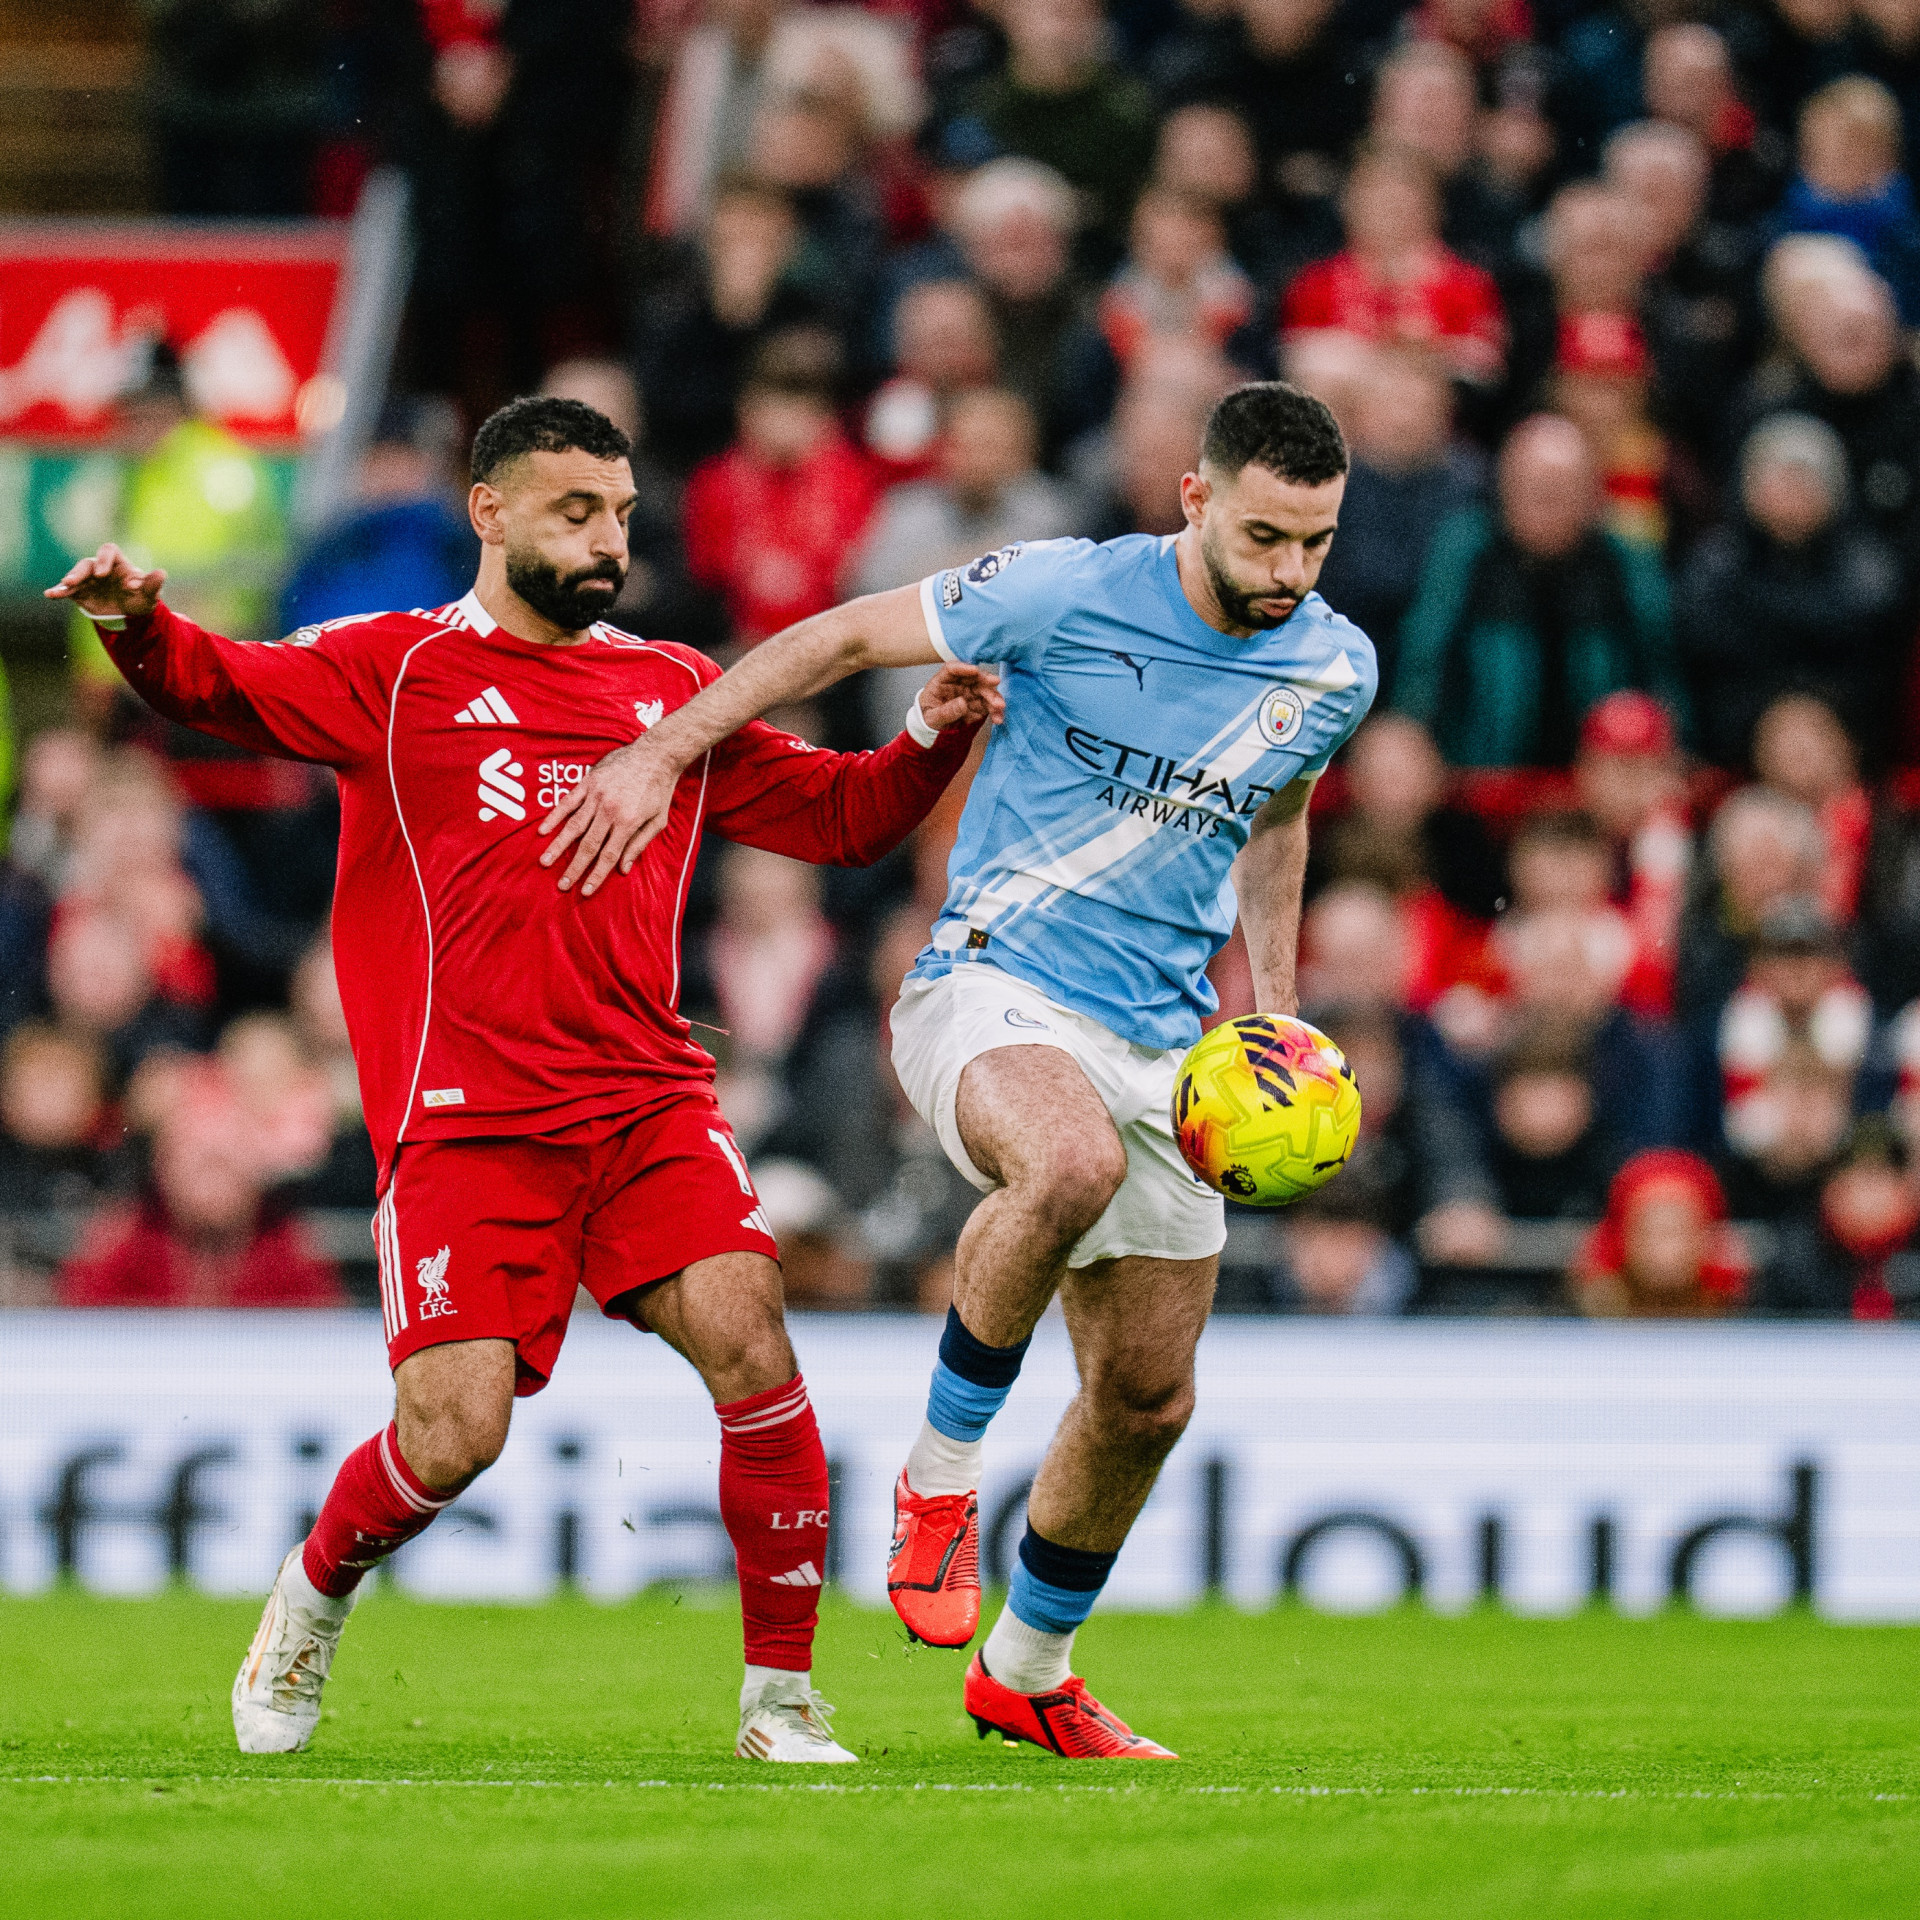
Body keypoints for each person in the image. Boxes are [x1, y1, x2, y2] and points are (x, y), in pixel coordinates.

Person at [46, 394, 993, 1766]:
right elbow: (218, 687)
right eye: (574, 511)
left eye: (617, 513)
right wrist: (137, 622)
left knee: (754, 1340)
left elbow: (845, 820)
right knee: (455, 1434)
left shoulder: (669, 688)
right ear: (488, 512)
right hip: (469, 1124)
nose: (607, 538)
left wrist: (931, 738)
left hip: (646, 1099)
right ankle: (311, 1597)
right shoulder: (399, 674)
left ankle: (780, 1701)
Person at [541, 381, 1376, 1756]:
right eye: (1268, 538)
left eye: (1317, 545)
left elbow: (1279, 821)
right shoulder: (1060, 591)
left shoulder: (1332, 668)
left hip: (1170, 1045)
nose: (1291, 572)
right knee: (1066, 1161)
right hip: (989, 986)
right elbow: (832, 639)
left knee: (1149, 1398)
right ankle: (938, 1481)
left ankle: (1029, 1672)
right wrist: (659, 751)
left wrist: (1273, 1014)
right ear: (1196, 499)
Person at [1393, 414, 1683, 768]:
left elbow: (1663, 671)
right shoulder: (1466, 550)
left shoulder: (1626, 561)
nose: (1545, 505)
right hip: (1478, 780)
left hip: (1604, 783)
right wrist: (1414, 740)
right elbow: (1423, 660)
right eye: (1532, 489)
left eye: (1560, 491)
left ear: (1592, 497)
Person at [1570, 1148, 1750, 1318]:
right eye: (1650, 1232)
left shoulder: (1745, 1313)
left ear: (1706, 1238)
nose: (1665, 1251)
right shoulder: (1584, 1324)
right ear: (1623, 1237)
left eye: (1678, 1231)